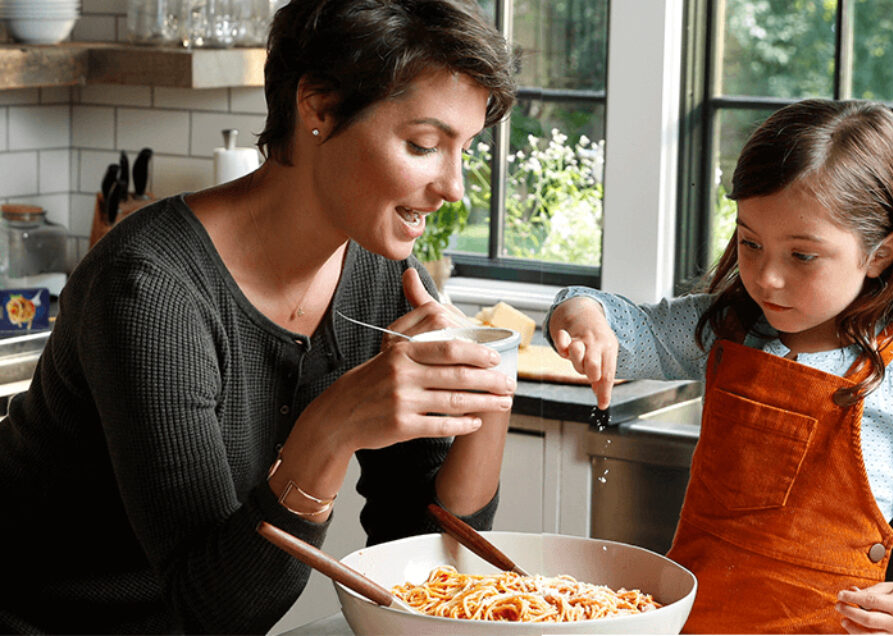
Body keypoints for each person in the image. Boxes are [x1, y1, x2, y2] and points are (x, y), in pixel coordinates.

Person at [0, 0, 518, 632]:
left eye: (465, 149)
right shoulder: (150, 288)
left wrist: (488, 389)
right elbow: (216, 611)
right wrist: (328, 432)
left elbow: (424, 555)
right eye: (425, 144)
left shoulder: (381, 270)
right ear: (319, 108)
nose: (454, 186)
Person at [546, 99, 893, 634]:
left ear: (879, 253)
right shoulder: (725, 328)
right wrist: (581, 313)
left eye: (802, 256)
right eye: (750, 242)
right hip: (698, 623)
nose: (766, 278)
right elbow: (632, 329)